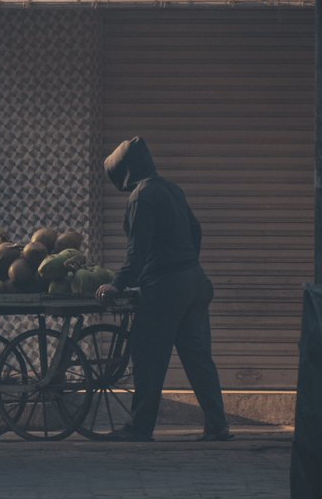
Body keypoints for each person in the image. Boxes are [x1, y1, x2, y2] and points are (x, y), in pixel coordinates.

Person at [96, 136, 232, 443]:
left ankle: (140, 427)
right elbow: (196, 230)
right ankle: (217, 424)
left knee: (148, 356)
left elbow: (137, 252)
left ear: (125, 173)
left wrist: (116, 284)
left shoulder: (141, 197)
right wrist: (185, 262)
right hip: (195, 281)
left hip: (165, 287)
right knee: (198, 358)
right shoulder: (172, 189)